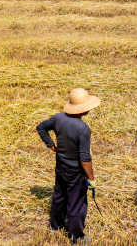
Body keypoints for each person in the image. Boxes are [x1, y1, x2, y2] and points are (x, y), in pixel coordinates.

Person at [36, 88, 100, 245]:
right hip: (76, 172)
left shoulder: (58, 118)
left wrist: (51, 145)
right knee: (77, 203)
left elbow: (41, 127)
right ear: (83, 109)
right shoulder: (83, 129)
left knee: (59, 195)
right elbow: (85, 158)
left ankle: (55, 225)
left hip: (60, 167)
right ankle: (76, 236)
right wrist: (91, 177)